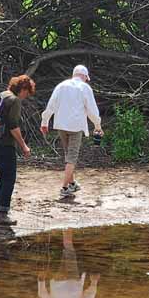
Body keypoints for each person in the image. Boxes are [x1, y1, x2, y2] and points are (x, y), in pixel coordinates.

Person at [40, 65, 103, 198]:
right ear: (85, 76)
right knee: (72, 157)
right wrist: (97, 125)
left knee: (68, 155)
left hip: (61, 125)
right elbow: (92, 109)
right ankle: (64, 187)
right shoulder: (85, 88)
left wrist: (45, 121)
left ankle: (72, 183)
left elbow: (51, 105)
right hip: (76, 126)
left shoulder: (61, 86)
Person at [0, 75, 36, 225]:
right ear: (23, 89)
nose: (26, 96)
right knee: (9, 177)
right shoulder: (14, 100)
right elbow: (13, 126)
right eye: (27, 92)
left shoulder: (1, 95)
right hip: (4, 144)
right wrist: (24, 146)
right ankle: (2, 214)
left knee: (4, 174)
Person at [38, 229, 100, 298]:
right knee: (64, 252)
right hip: (59, 285)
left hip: (72, 284)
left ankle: (66, 227)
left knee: (69, 249)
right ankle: (64, 229)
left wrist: (94, 283)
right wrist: (41, 282)